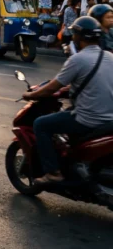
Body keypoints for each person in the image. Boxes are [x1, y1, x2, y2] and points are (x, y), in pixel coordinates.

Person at [24, 16, 113, 185]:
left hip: (88, 119)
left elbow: (52, 87)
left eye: (74, 34)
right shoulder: (109, 57)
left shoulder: (78, 59)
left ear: (79, 37)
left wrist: (30, 95)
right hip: (110, 118)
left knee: (40, 124)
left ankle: (53, 173)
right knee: (65, 114)